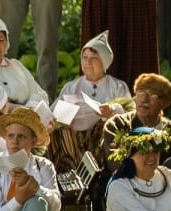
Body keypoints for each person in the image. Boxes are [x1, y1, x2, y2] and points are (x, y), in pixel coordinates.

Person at [49, 31, 130, 171]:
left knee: (104, 132)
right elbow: (54, 112)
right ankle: (72, 177)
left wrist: (112, 111)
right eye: (85, 57)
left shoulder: (118, 86)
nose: (88, 62)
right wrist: (63, 120)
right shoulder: (72, 86)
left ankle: (99, 176)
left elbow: (130, 113)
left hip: (102, 138)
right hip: (74, 139)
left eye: (94, 58)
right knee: (58, 135)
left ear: (104, 62)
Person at [99, 73, 171, 165]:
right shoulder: (117, 124)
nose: (144, 99)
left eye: (152, 95)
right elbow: (114, 163)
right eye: (140, 92)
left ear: (164, 103)